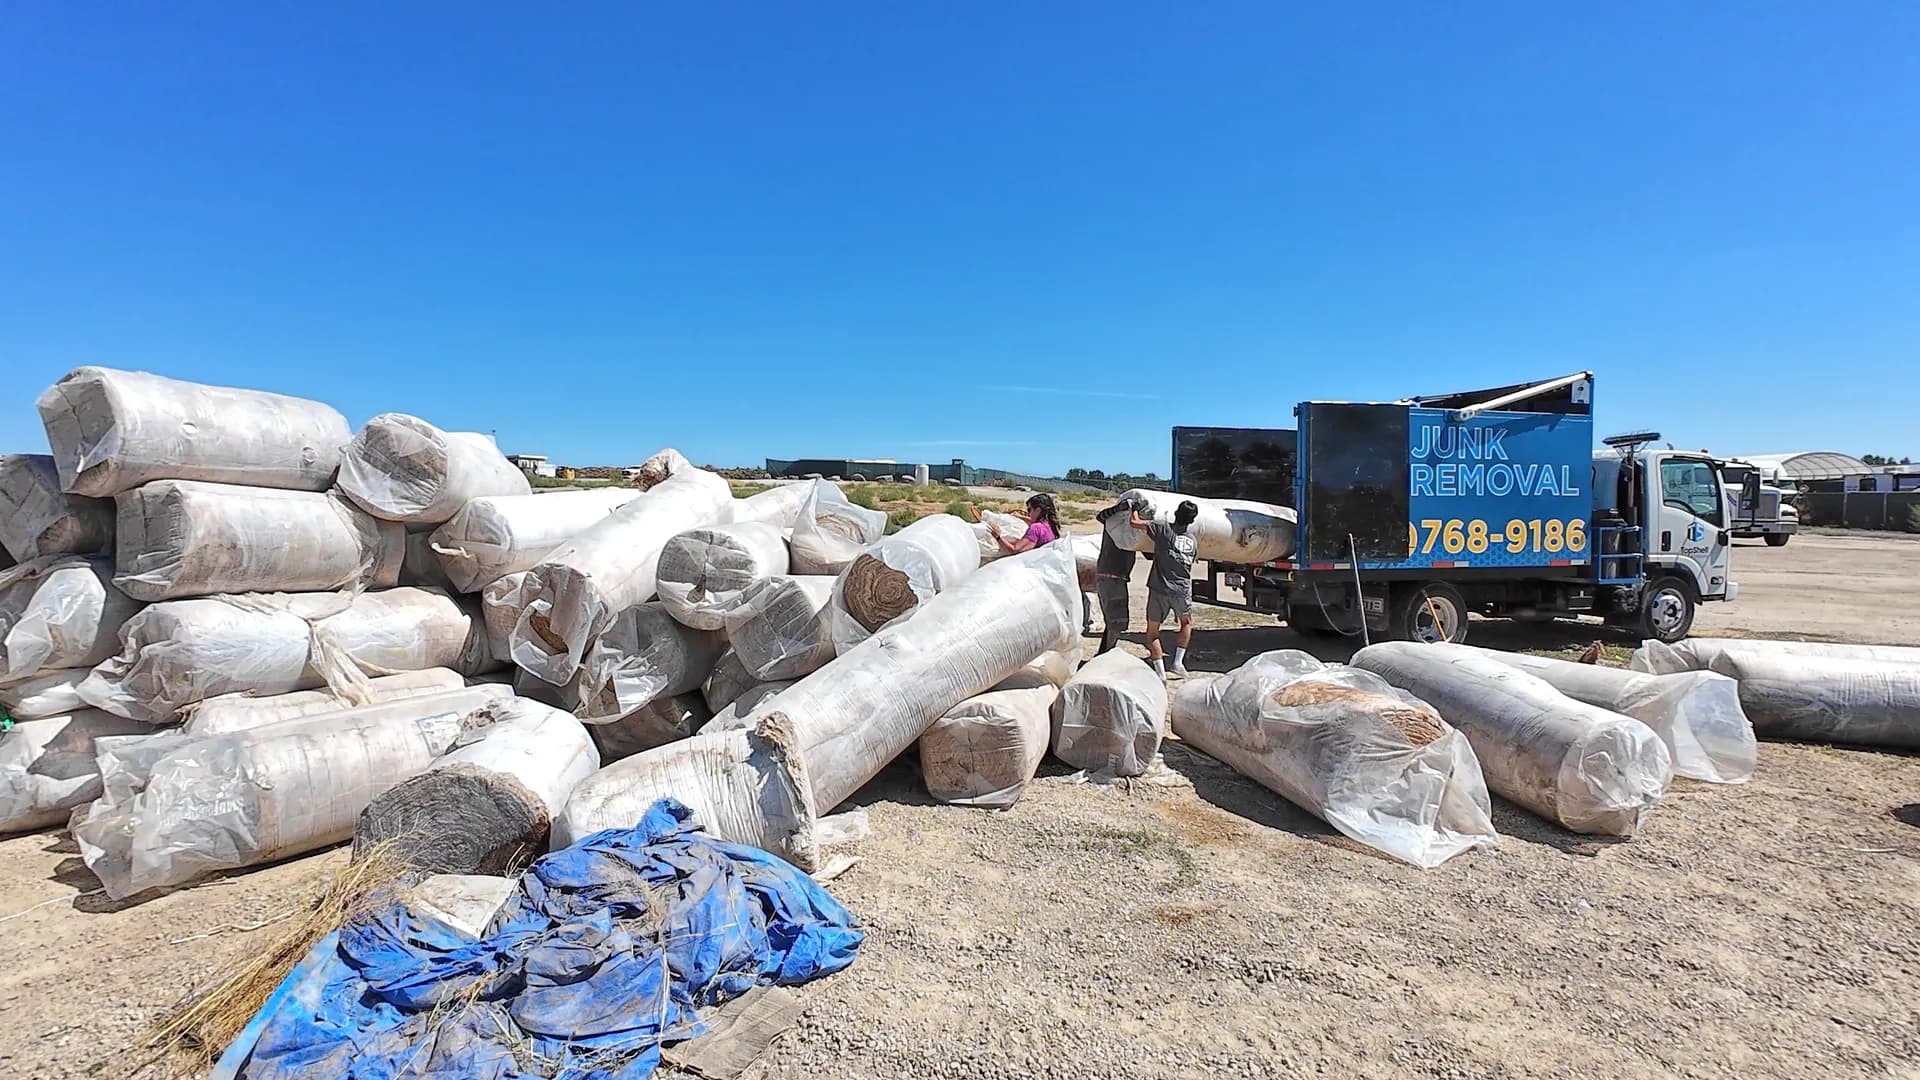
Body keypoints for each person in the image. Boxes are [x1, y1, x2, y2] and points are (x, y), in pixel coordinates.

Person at [1132, 499, 1199, 678]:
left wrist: (1134, 509)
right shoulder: (1192, 540)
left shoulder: (1163, 528)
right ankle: (1177, 663)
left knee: (1153, 630)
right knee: (1186, 623)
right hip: (1182, 589)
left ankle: (1160, 672)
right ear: (1192, 521)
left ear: (1176, 513)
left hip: (1160, 588)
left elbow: (1134, 523)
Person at [1091, 496, 1146, 653]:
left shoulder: (1131, 532)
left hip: (1114, 578)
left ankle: (1102, 653)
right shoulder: (1114, 523)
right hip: (1112, 577)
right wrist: (1119, 509)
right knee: (1117, 622)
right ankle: (1105, 655)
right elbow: (1100, 516)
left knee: (1113, 622)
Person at [990, 493, 1063, 553]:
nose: (1028, 513)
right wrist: (1020, 517)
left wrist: (998, 537)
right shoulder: (1051, 525)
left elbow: (1014, 550)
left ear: (1038, 510)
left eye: (1029, 509)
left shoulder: (1036, 528)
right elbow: (1030, 520)